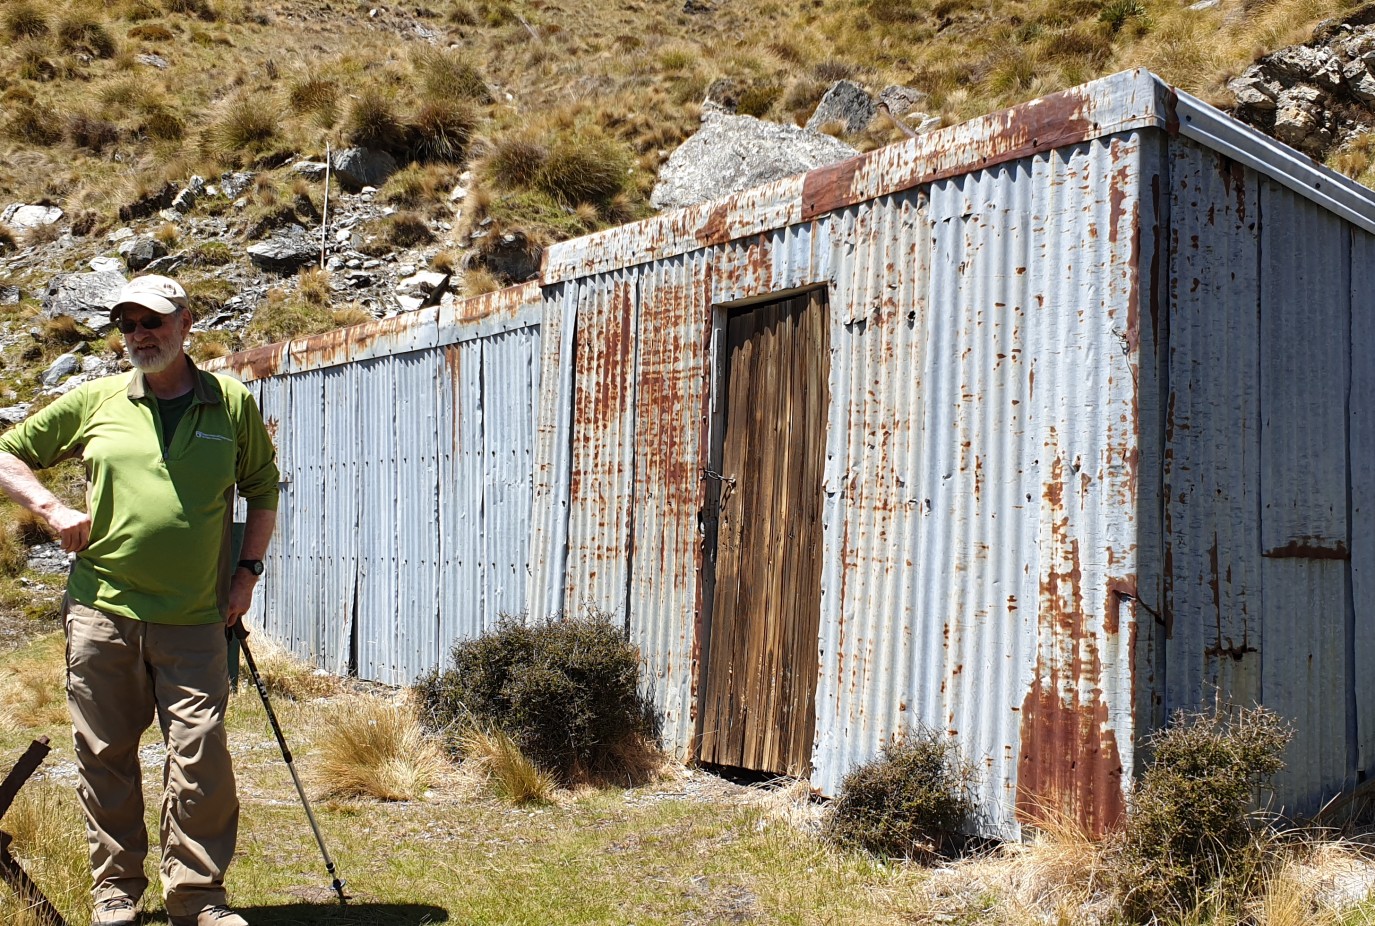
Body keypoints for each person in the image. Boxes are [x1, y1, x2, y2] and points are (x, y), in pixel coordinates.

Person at [0, 274, 280, 926]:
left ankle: (198, 898)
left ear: (186, 323)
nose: (139, 336)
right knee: (105, 760)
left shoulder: (230, 404)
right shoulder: (95, 399)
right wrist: (49, 505)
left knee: (202, 757)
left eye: (151, 322)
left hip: (195, 618)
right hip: (104, 613)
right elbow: (7, 452)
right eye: (126, 325)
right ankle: (116, 895)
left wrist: (247, 574)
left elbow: (263, 491)